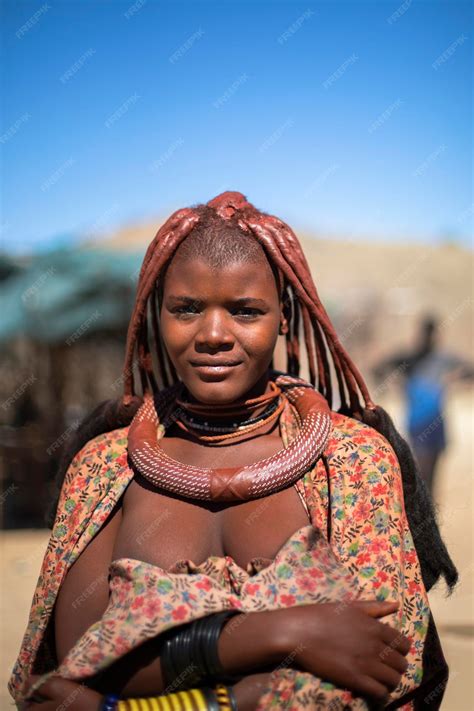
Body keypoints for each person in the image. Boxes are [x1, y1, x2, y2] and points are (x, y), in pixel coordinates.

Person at [9, 192, 458, 711]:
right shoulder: (107, 467)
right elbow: (73, 671)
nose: (214, 335)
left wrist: (137, 692)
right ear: (159, 315)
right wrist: (278, 636)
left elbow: (385, 668)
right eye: (187, 310)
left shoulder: (351, 460)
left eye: (245, 311)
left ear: (284, 317)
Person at [373, 315, 474, 495]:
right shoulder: (409, 358)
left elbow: (469, 371)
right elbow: (379, 368)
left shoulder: (443, 359)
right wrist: (395, 385)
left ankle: (429, 512)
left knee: (431, 475)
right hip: (418, 424)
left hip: (436, 423)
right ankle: (425, 512)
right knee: (422, 473)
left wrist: (454, 380)